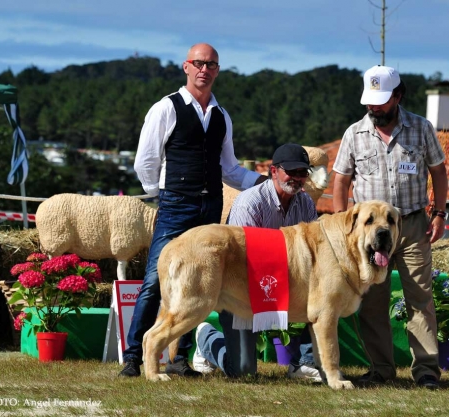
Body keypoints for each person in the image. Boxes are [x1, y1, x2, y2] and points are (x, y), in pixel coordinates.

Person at [119, 43, 267, 378]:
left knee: (197, 284)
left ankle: (179, 359)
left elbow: (229, 169)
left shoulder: (222, 115)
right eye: (198, 63)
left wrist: (265, 183)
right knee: (155, 281)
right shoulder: (166, 108)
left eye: (211, 64)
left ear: (217, 70)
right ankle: (132, 358)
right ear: (186, 67)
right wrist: (161, 193)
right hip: (176, 204)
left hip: (209, 206)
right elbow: (145, 161)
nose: (204, 69)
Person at [332, 65, 448, 390]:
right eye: (370, 101)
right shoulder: (354, 133)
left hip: (411, 225)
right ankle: (381, 370)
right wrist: (345, 225)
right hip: (368, 232)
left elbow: (438, 170)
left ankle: (426, 371)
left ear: (398, 96)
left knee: (420, 298)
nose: (374, 107)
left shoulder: (422, 128)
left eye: (381, 101)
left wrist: (439, 213)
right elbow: (340, 180)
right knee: (371, 301)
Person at [193, 143, 322, 381]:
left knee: (319, 291)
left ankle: (303, 362)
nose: (297, 178)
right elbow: (243, 259)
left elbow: (316, 249)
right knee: (242, 372)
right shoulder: (249, 202)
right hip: (242, 288)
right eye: (291, 171)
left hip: (283, 283)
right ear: (274, 171)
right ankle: (207, 340)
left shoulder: (305, 203)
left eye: (303, 173)